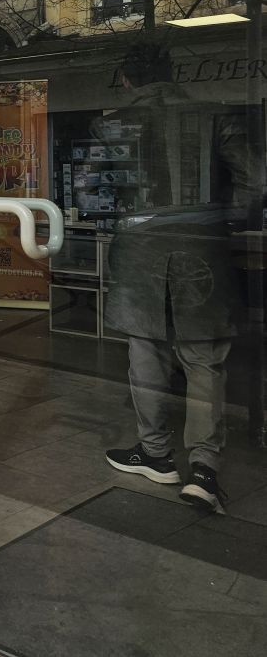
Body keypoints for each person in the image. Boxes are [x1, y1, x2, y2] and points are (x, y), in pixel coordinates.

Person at [102, 41, 252, 514]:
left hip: (139, 251)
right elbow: (258, 180)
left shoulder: (111, 123)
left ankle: (155, 454)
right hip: (202, 250)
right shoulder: (215, 115)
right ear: (174, 74)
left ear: (128, 80)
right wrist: (223, 219)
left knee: (145, 350)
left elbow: (101, 191)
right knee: (203, 360)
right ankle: (204, 470)